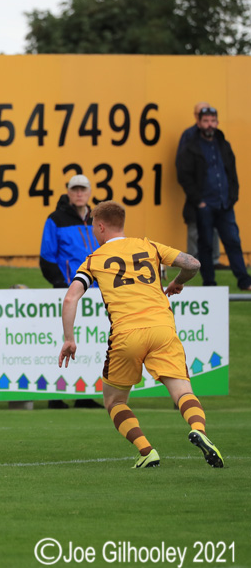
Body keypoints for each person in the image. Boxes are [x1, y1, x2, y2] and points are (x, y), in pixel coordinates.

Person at [59, 200, 224, 469]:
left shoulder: (94, 259)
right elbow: (192, 263)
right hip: (162, 328)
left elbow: (70, 299)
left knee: (114, 400)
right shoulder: (149, 246)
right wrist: (177, 282)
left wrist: (69, 339)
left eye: (93, 227)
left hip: (126, 334)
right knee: (183, 391)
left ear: (100, 226)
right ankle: (199, 430)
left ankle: (146, 450)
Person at [39, 174, 102, 409]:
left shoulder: (97, 218)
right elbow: (47, 257)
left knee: (89, 341)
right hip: (69, 291)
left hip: (97, 291)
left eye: (82, 189)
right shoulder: (55, 219)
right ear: (68, 191)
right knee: (64, 341)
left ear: (88, 192)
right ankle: (56, 395)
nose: (79, 193)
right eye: (74, 189)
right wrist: (59, 284)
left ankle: (84, 395)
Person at [176, 106, 251, 291]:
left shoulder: (223, 144)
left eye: (213, 120)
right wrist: (198, 201)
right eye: (206, 121)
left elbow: (231, 172)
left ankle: (244, 280)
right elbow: (183, 175)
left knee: (233, 242)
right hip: (204, 205)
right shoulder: (191, 146)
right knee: (206, 245)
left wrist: (233, 195)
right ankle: (209, 282)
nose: (210, 124)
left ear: (217, 122)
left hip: (225, 204)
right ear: (199, 123)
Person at [176, 102, 221, 268]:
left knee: (214, 227)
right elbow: (182, 167)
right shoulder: (189, 136)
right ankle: (192, 262)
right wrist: (195, 195)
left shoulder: (216, 136)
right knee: (195, 225)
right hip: (196, 191)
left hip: (214, 192)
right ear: (196, 117)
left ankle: (214, 260)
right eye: (201, 114)